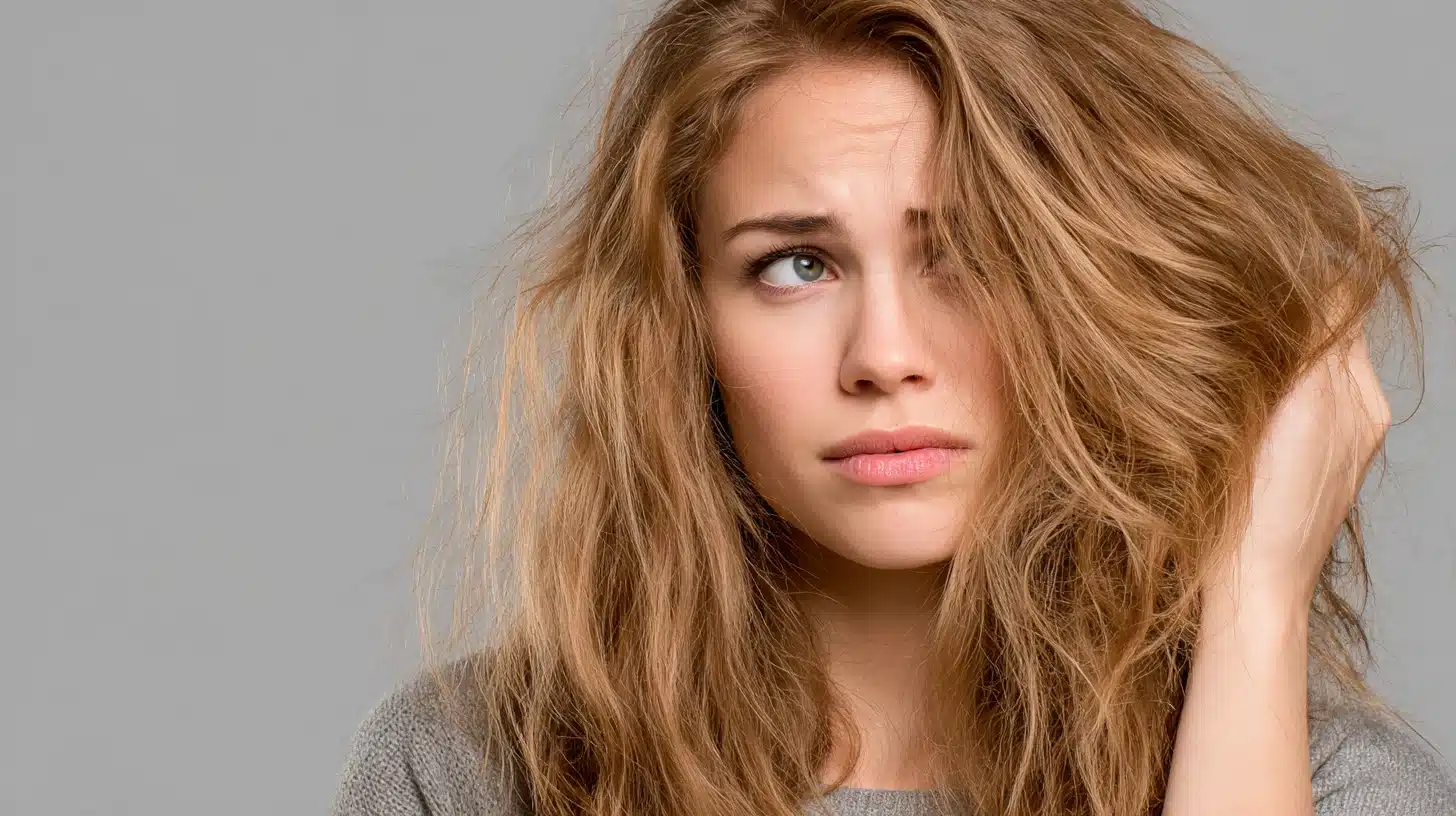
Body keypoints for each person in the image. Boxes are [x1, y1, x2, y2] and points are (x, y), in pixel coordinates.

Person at [332, 0, 1456, 814]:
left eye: (968, 255)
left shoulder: (1328, 783)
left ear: (1096, 290)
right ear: (686, 323)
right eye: (795, 266)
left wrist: (1254, 603)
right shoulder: (478, 771)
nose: (884, 357)